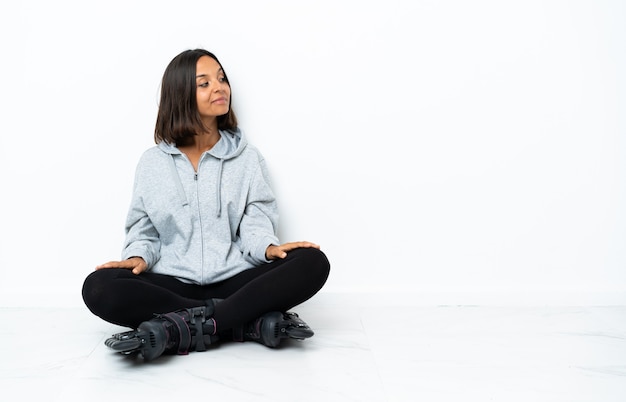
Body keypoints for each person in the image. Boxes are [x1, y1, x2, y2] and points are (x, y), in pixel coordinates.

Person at [82, 48, 330, 361]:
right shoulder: (152, 163)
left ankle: (182, 327)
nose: (219, 87)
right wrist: (137, 256)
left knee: (312, 261)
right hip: (174, 286)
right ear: (181, 93)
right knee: (98, 287)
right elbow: (143, 229)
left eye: (222, 79)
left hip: (235, 281)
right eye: (204, 83)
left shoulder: (248, 159)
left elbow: (256, 220)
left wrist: (267, 247)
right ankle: (243, 323)